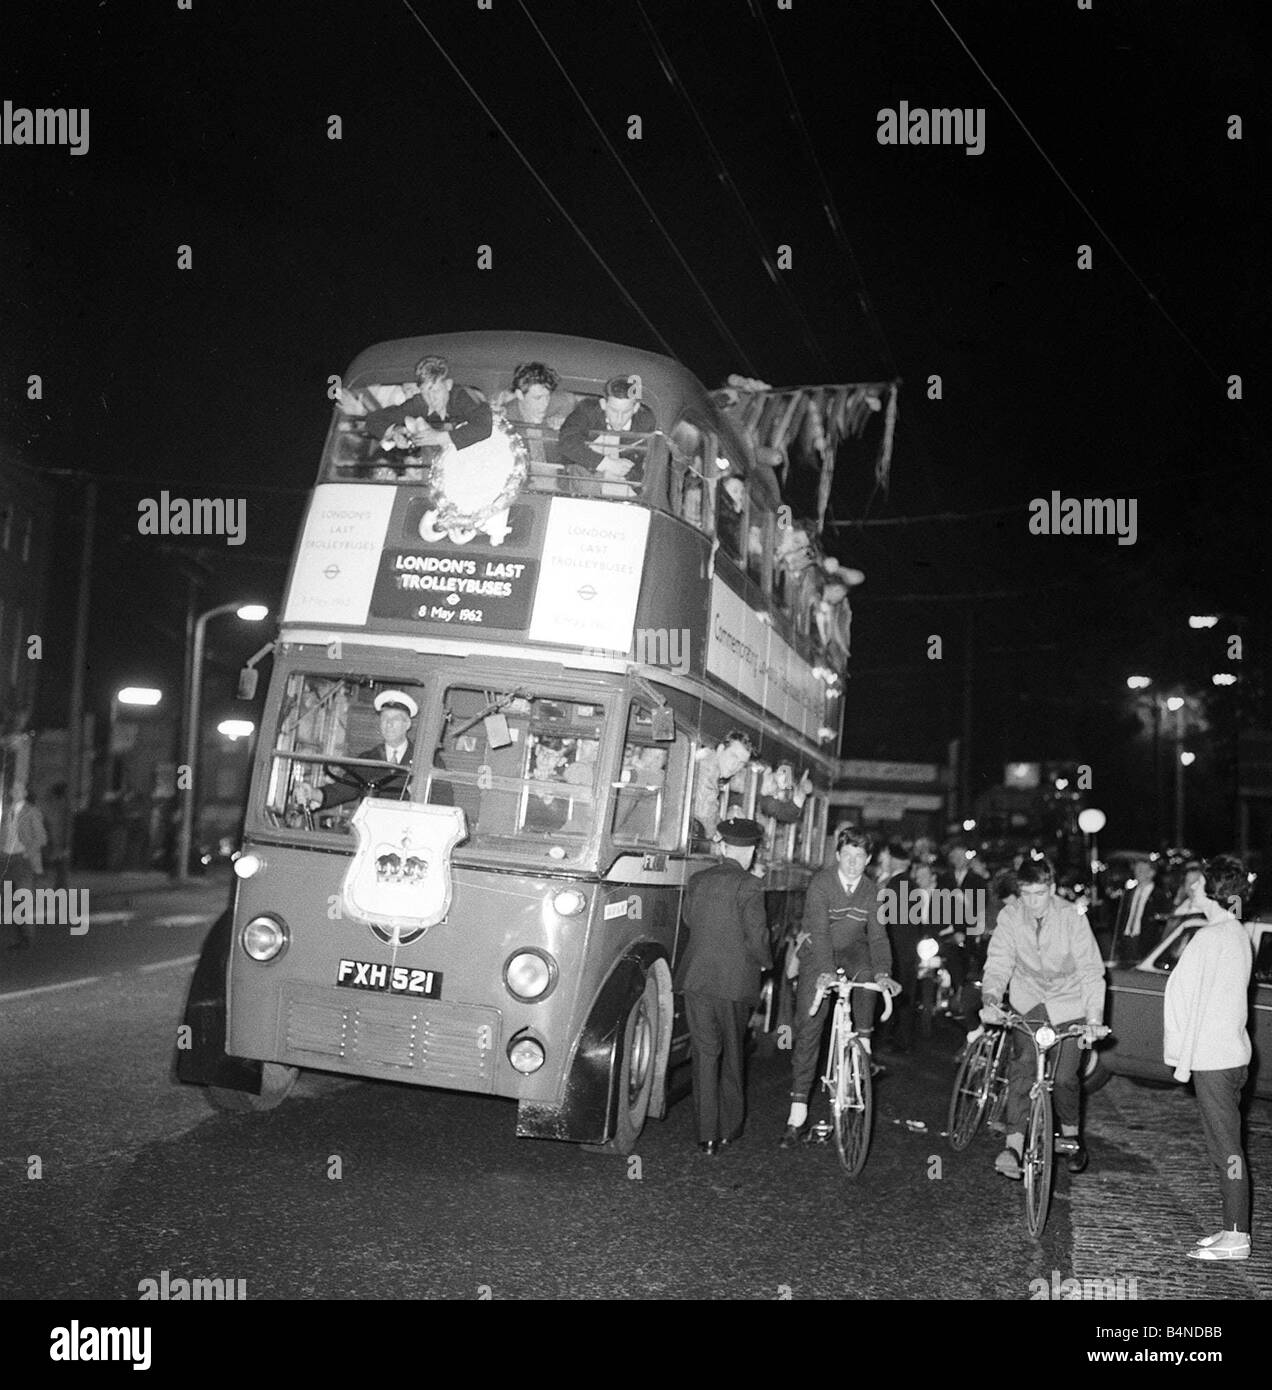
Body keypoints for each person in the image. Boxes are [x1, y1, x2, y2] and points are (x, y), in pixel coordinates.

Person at [979, 857, 1108, 1178]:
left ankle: (1071, 1135)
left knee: (1065, 1077)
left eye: (1039, 894)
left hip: (1070, 1003)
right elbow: (998, 962)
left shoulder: (1071, 917)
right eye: (1026, 894)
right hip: (1029, 1000)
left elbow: (1091, 970)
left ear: (1051, 889)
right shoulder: (1011, 916)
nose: (1033, 902)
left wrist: (1093, 1018)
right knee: (1022, 1065)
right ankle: (1013, 1147)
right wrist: (992, 997)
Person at [780, 824, 899, 1147]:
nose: (852, 863)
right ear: (837, 856)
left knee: (869, 977)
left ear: (868, 859)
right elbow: (818, 934)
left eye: (859, 857)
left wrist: (884, 973)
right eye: (846, 856)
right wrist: (827, 973)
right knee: (809, 1027)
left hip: (854, 950)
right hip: (818, 952)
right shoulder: (821, 883)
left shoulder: (873, 891)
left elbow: (877, 936)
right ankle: (798, 1112)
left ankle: (864, 1045)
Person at [1163, 855, 1254, 1261]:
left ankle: (1238, 1235)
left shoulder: (1212, 937)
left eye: (1199, 885)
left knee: (1227, 1148)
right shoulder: (1233, 932)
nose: (1192, 890)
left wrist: (1182, 1058)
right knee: (1226, 1145)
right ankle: (1231, 1226)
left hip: (1215, 1059)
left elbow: (1191, 1001)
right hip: (1228, 1054)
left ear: (1215, 892)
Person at [675, 818, 771, 1155]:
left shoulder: (698, 880)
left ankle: (707, 1135)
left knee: (705, 1054)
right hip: (734, 982)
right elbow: (757, 936)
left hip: (696, 979)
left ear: (723, 846)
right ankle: (729, 1129)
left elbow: (689, 921)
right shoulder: (751, 885)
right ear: (751, 850)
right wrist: (766, 962)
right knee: (733, 1052)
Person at [293, 689, 419, 813]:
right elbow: (344, 789)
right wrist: (313, 793)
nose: (389, 724)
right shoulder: (368, 759)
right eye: (384, 718)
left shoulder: (421, 760)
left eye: (395, 719)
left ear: (407, 724)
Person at [360, 354, 493, 461]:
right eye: (425, 392)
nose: (431, 398)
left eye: (435, 390)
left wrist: (439, 438)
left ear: (448, 385)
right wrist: (396, 431)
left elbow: (484, 427)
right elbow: (373, 419)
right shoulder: (419, 403)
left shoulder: (461, 397)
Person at [558, 373, 656, 497]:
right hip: (585, 480)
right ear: (603, 404)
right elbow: (567, 442)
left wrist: (628, 474)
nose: (619, 419)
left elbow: (652, 465)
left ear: (636, 407)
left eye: (626, 412)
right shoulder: (587, 410)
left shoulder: (647, 422)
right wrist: (607, 464)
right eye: (614, 411)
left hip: (626, 488)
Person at [3, 784, 48, 949]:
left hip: (23, 861)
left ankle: (27, 938)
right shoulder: (7, 811)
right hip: (6, 859)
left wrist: (27, 852)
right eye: (13, 790)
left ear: (25, 793)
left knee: (23, 899)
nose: (15, 793)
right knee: (10, 902)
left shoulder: (32, 812)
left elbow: (41, 838)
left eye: (19, 790)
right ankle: (20, 937)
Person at [690, 730, 753, 843]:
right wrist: (719, 831)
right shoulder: (710, 767)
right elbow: (704, 813)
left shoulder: (709, 762)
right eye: (733, 756)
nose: (735, 765)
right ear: (720, 749)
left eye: (741, 763)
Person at [1109, 856, 1171, 963]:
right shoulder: (1128, 893)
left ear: (1151, 873)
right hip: (1127, 939)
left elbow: (1162, 920)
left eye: (1141, 870)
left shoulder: (1159, 895)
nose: (1137, 873)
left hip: (1146, 941)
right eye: (1136, 869)